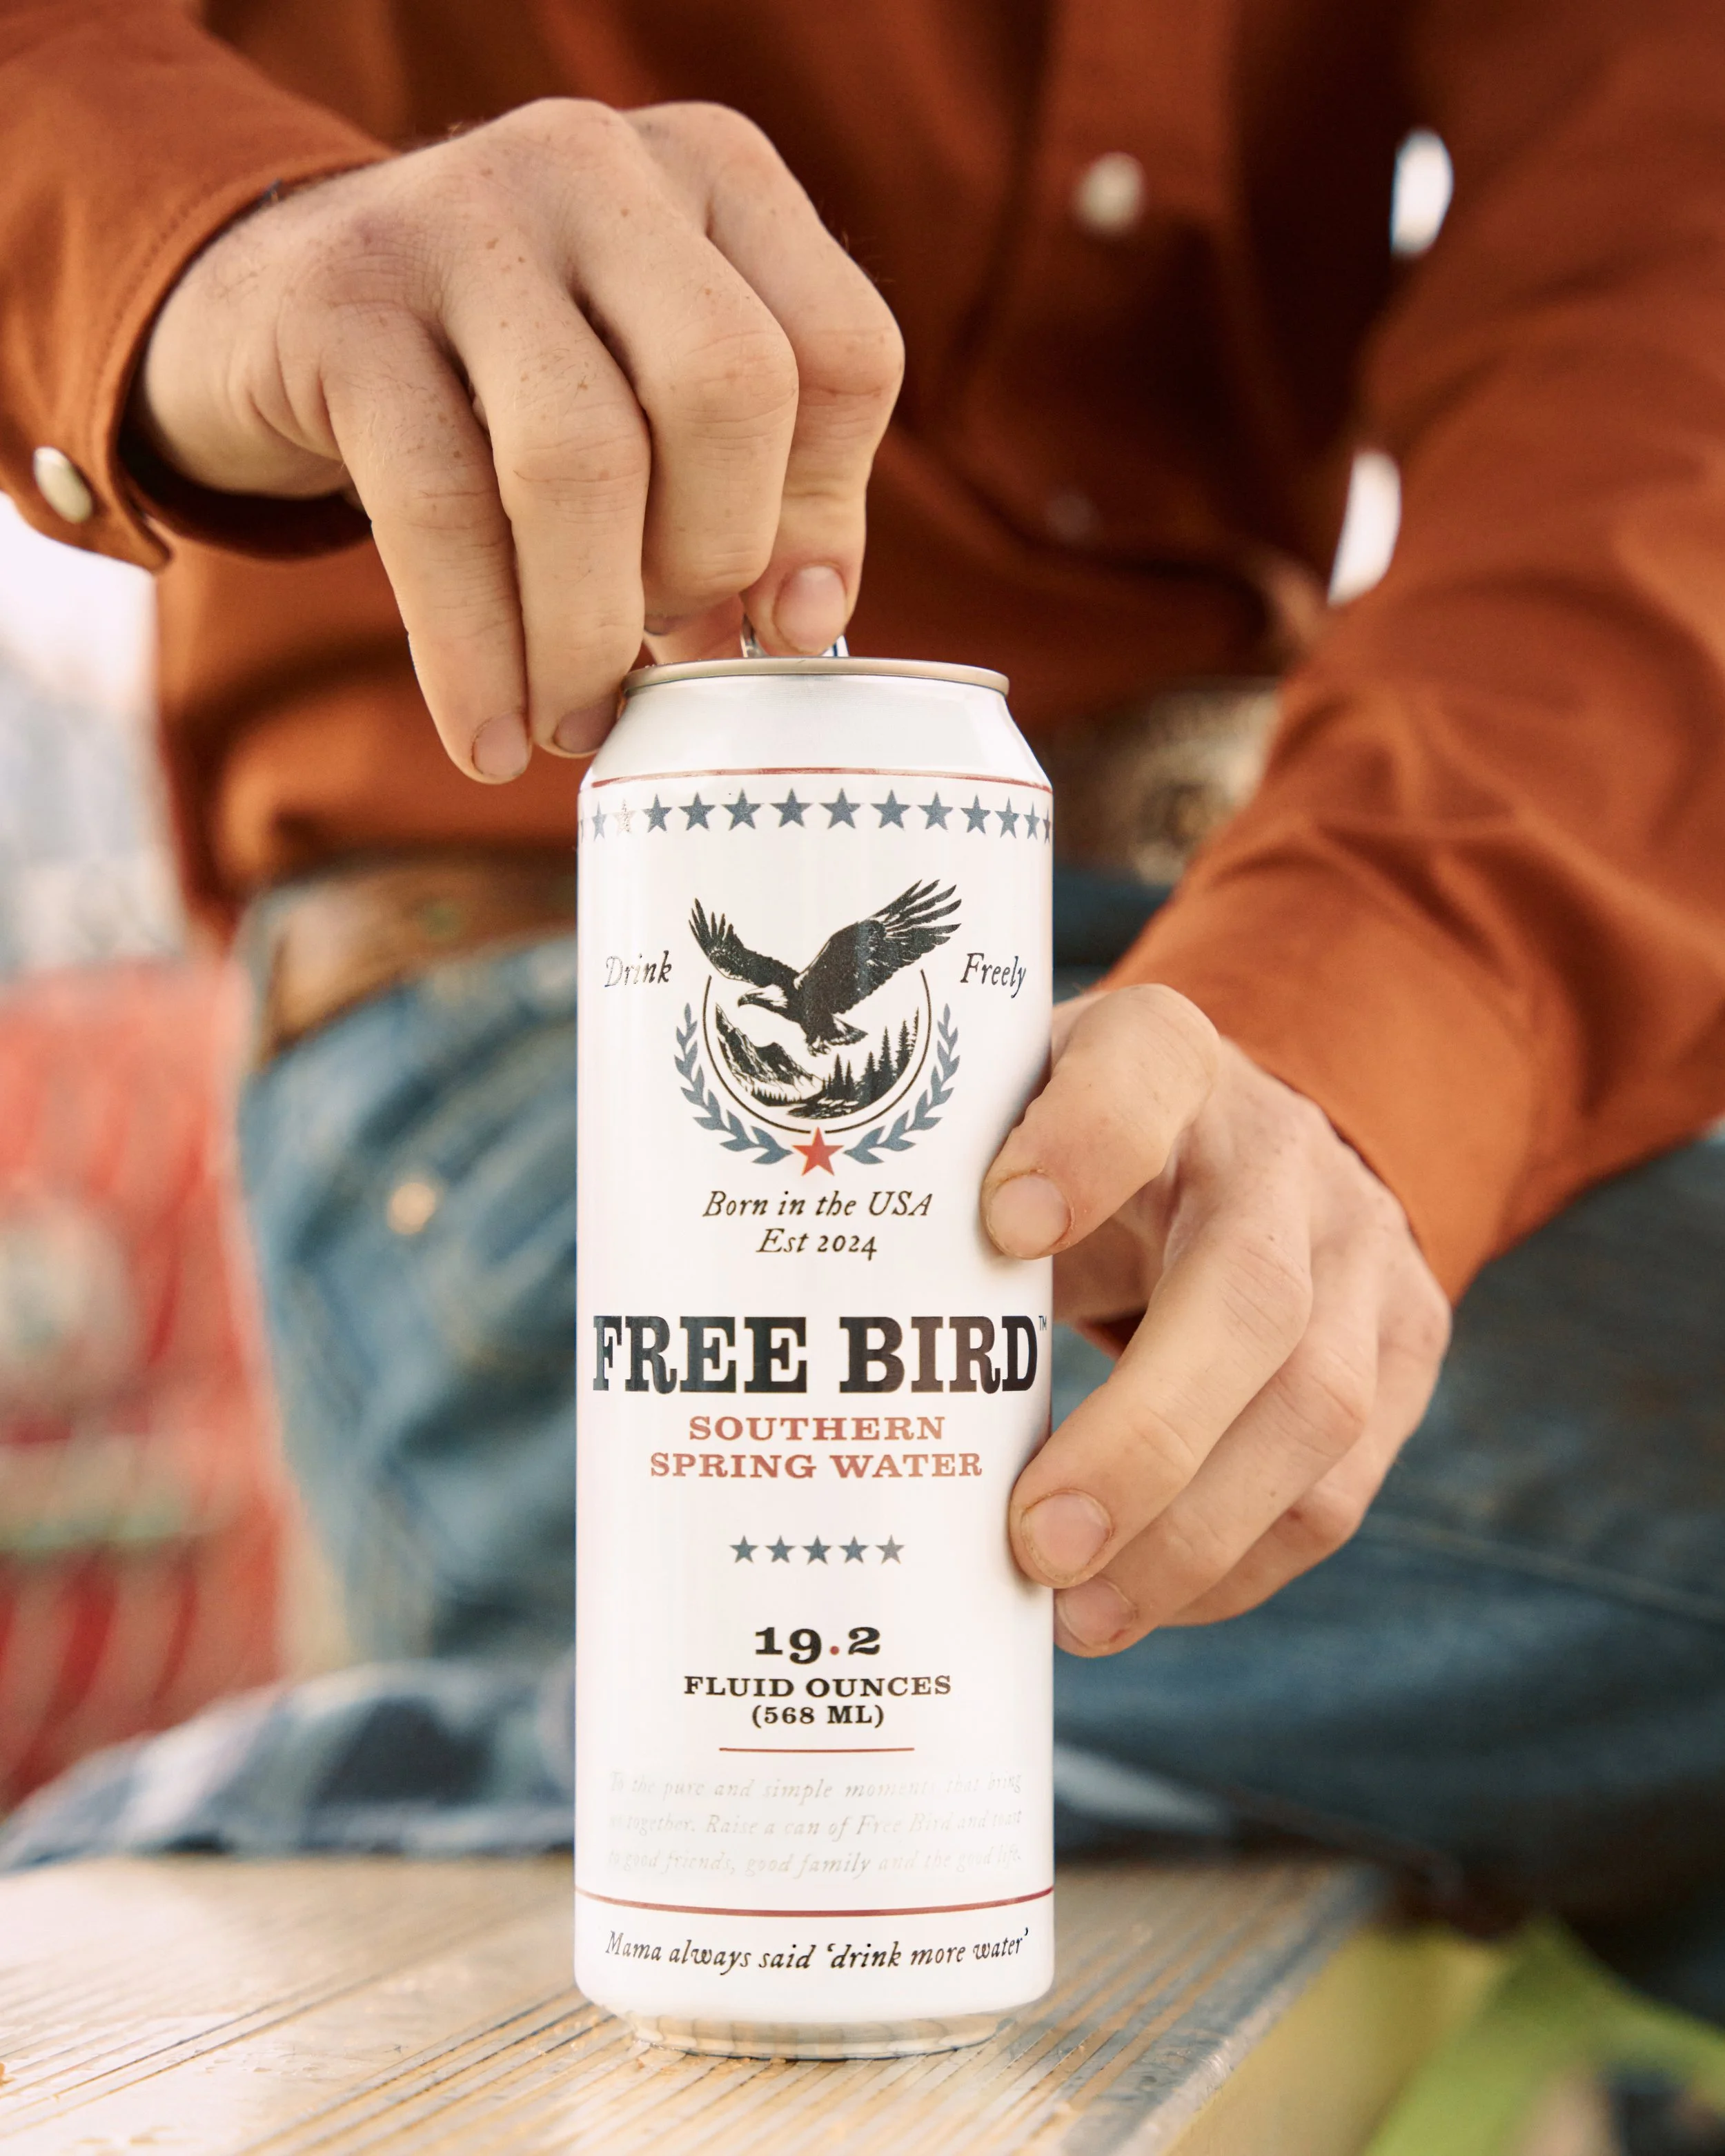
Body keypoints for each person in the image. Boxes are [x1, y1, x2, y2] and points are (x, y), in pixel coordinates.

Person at [1, 0, 1724, 2034]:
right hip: (521, 1051)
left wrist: (1368, 1013)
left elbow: (1663, 300)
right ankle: (481, 1762)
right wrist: (217, 239)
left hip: (1256, 995)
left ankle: (487, 1760)